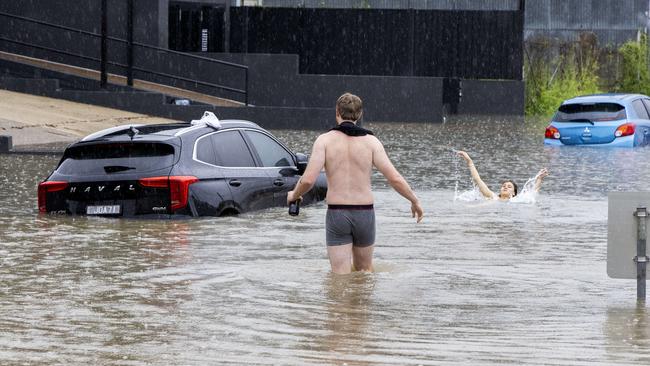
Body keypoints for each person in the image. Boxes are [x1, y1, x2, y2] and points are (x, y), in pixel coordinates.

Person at [287, 93, 424, 274]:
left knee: (340, 277)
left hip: (338, 213)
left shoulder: (324, 141)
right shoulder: (371, 142)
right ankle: (362, 303)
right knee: (365, 273)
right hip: (364, 213)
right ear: (359, 115)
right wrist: (414, 200)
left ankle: (341, 304)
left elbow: (308, 180)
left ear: (337, 112)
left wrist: (294, 195)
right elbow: (394, 178)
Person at [457, 150, 548, 200]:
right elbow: (478, 180)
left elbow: (533, 192)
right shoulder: (493, 196)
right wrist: (469, 161)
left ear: (514, 193)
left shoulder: (517, 200)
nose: (505, 187)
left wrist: (539, 179)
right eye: (504, 186)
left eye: (509, 187)